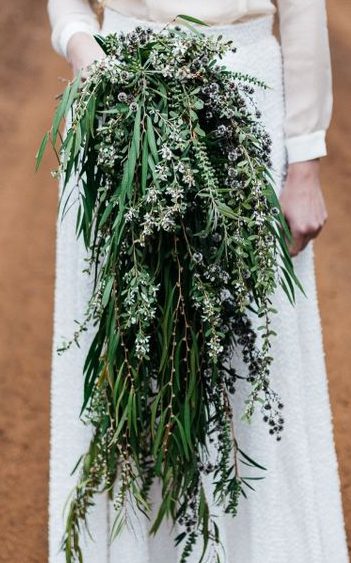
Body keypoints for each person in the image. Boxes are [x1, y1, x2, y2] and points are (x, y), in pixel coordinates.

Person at [47, 1, 349, 562]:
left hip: (243, 100)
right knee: (126, 359)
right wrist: (81, 44)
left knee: (251, 362)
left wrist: (305, 159)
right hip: (121, 98)